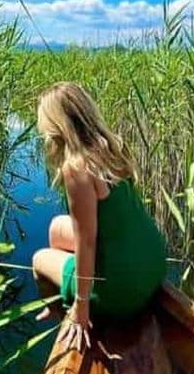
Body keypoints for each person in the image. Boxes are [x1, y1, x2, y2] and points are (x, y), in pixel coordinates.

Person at [31, 82, 167, 352]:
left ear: (56, 126)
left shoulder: (76, 168)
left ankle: (65, 313)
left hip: (122, 289)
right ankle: (64, 300)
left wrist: (83, 305)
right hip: (153, 264)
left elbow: (87, 242)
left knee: (39, 259)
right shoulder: (111, 145)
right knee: (57, 228)